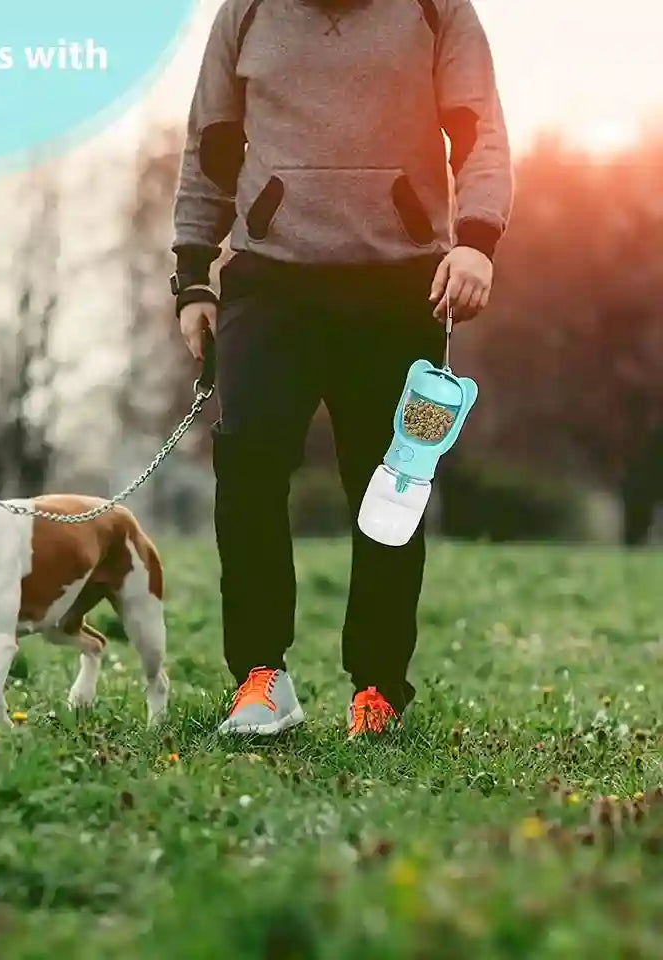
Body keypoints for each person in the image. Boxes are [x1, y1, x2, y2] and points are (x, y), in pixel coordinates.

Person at [170, 0, 513, 737]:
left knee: (393, 484)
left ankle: (380, 689)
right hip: (272, 282)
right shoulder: (247, 11)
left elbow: (479, 130)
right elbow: (212, 145)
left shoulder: (438, 9)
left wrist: (477, 239)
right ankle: (262, 678)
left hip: (400, 287)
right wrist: (193, 274)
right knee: (250, 465)